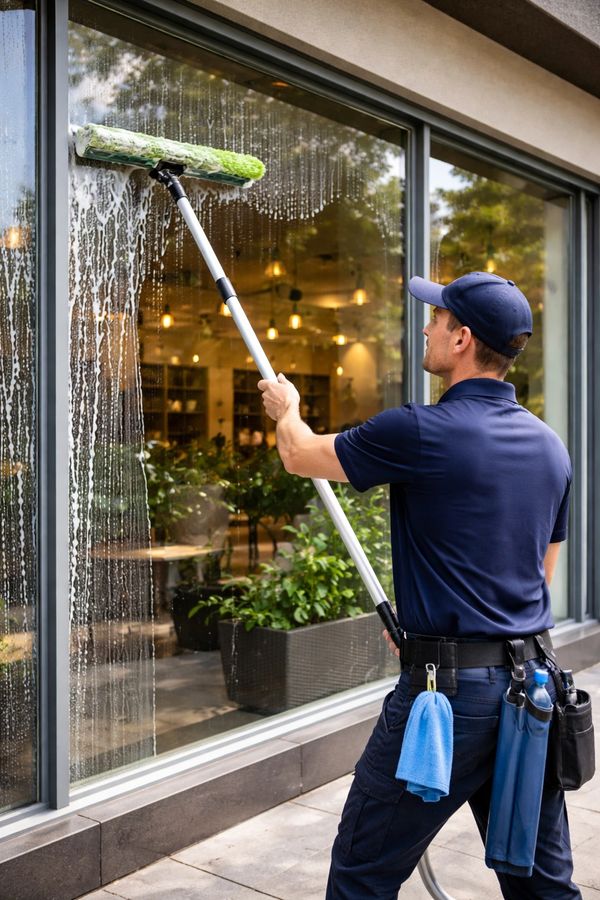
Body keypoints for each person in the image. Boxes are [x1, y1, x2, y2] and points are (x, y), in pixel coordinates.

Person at [258, 271, 579, 900]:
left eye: (436, 318)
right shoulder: (550, 447)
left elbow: (299, 455)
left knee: (362, 874)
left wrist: (288, 410)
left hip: (448, 701)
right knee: (540, 886)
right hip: (532, 691)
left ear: (461, 339)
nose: (426, 326)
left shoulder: (421, 430)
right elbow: (540, 576)